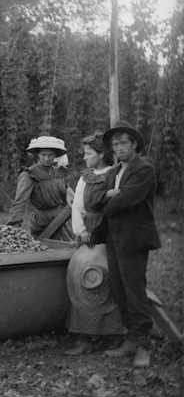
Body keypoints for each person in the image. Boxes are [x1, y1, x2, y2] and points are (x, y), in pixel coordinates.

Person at [92, 120, 161, 368]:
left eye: (123, 143)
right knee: (119, 290)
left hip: (134, 238)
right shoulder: (113, 172)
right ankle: (131, 339)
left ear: (134, 144)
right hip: (113, 237)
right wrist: (107, 196)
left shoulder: (144, 169)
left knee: (134, 291)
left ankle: (143, 345)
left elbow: (127, 200)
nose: (118, 148)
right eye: (114, 144)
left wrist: (107, 200)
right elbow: (93, 200)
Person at [64, 132, 125, 356]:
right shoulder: (85, 177)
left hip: (110, 234)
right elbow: (78, 206)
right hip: (89, 234)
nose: (85, 157)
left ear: (101, 154)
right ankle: (85, 337)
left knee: (107, 281)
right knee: (84, 279)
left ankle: (111, 337)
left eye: (89, 153)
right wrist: (81, 230)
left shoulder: (115, 174)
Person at [6, 135, 75, 241]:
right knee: (44, 251)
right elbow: (20, 202)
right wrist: (13, 228)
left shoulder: (59, 172)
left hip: (63, 219)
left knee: (69, 250)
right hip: (43, 222)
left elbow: (67, 193)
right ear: (38, 154)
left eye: (50, 155)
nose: (47, 159)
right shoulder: (29, 174)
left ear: (56, 155)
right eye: (43, 155)